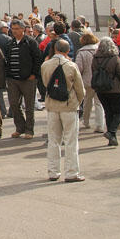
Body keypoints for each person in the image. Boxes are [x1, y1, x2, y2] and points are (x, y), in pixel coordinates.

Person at [41, 39, 85, 182]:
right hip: (68, 105)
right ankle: (72, 172)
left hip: (52, 105)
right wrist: (77, 102)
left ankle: (53, 171)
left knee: (54, 139)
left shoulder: (45, 65)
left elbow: (45, 83)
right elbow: (80, 89)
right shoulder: (71, 66)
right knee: (71, 140)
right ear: (67, 51)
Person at [4, 20, 40, 139]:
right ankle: (20, 127)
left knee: (29, 106)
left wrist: (34, 74)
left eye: (17, 28)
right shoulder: (10, 43)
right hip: (13, 79)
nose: (14, 31)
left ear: (23, 29)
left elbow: (37, 59)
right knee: (14, 104)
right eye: (13, 29)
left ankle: (29, 129)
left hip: (28, 79)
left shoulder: (30, 42)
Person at [91, 37, 120, 147]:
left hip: (100, 89)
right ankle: (111, 132)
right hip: (114, 89)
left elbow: (93, 71)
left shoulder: (95, 58)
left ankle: (112, 137)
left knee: (108, 112)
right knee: (119, 112)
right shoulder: (114, 58)